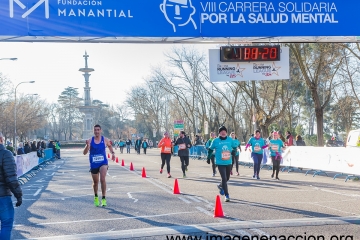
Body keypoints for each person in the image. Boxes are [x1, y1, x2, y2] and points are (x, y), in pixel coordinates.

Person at [83, 124, 115, 207]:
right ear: (93, 131)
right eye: (95, 130)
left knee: (102, 179)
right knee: (95, 182)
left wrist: (113, 153)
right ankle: (96, 197)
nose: (97, 131)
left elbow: (110, 146)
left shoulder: (105, 139)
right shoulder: (90, 140)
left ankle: (104, 198)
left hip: (103, 162)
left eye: (98, 130)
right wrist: (87, 145)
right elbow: (84, 153)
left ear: (100, 130)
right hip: (94, 164)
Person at [0, 132, 23, 240]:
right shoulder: (5, 154)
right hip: (2, 196)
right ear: (1, 139)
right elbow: (11, 178)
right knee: (6, 224)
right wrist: (18, 195)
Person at [207, 126, 237, 202]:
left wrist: (234, 151)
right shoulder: (215, 141)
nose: (223, 132)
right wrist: (208, 157)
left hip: (228, 162)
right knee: (224, 178)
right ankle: (227, 195)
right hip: (220, 163)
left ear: (226, 132)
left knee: (227, 178)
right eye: (221, 131)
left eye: (224, 131)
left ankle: (220, 185)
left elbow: (234, 147)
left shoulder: (230, 140)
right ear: (219, 133)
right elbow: (210, 149)